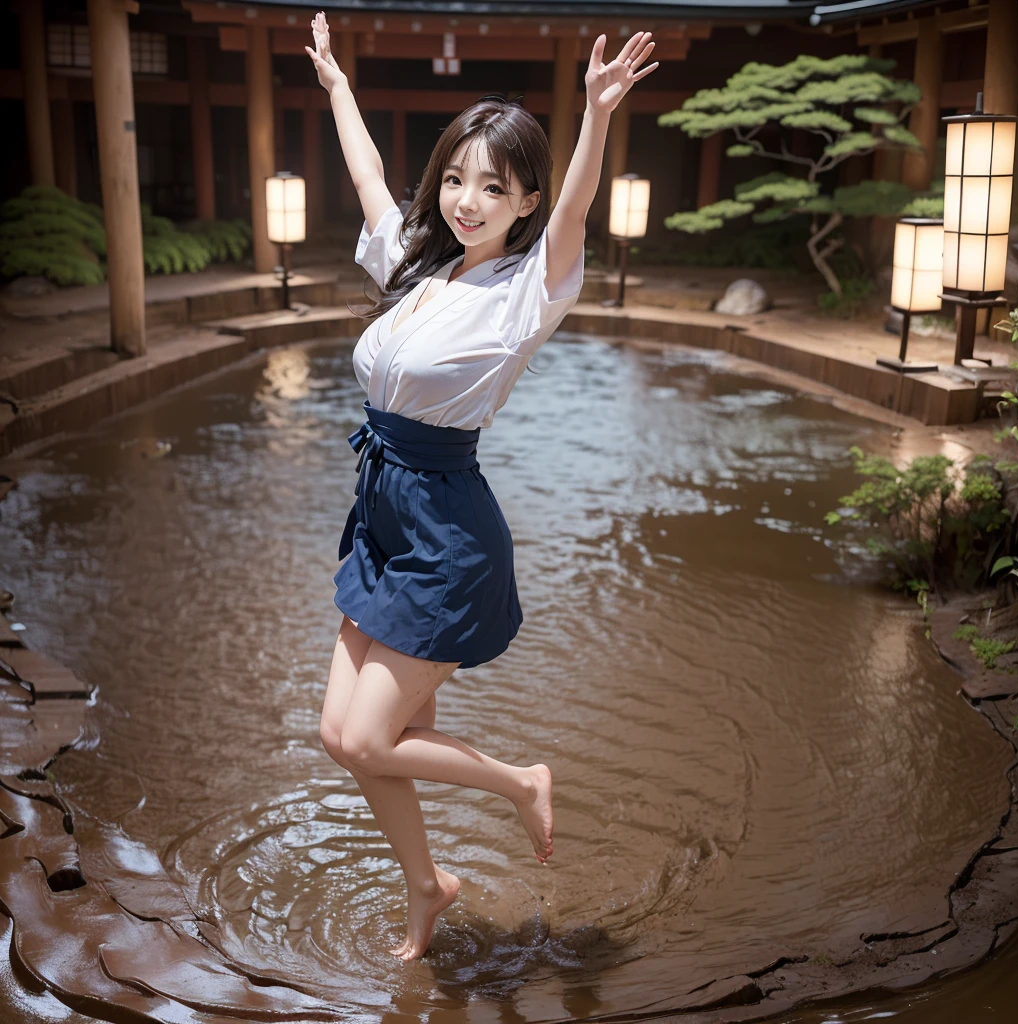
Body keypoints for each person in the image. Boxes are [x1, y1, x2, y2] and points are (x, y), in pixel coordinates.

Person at [305, 11, 658, 961]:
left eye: (491, 188)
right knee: (340, 733)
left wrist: (593, 114)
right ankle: (431, 886)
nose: (466, 200)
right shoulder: (417, 262)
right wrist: (338, 86)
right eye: (456, 178)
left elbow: (580, 205)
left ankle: (520, 781)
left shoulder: (527, 291)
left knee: (372, 741)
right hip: (381, 511)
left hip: (447, 531)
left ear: (524, 202)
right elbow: (372, 178)